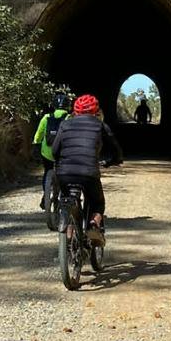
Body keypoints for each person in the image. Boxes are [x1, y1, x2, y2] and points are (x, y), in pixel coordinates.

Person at [51, 93, 121, 246]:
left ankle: (69, 229)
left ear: (75, 111)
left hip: (64, 174)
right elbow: (114, 146)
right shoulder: (99, 125)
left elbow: (55, 151)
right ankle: (94, 224)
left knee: (66, 197)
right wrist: (115, 160)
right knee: (97, 203)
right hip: (88, 174)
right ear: (96, 111)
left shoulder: (65, 124)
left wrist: (61, 161)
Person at [32, 89, 74, 212]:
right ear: (68, 106)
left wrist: (36, 146)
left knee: (47, 171)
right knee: (66, 173)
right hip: (63, 153)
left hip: (47, 152)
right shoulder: (70, 118)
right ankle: (65, 196)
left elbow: (38, 136)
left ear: (54, 105)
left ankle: (46, 193)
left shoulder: (46, 117)